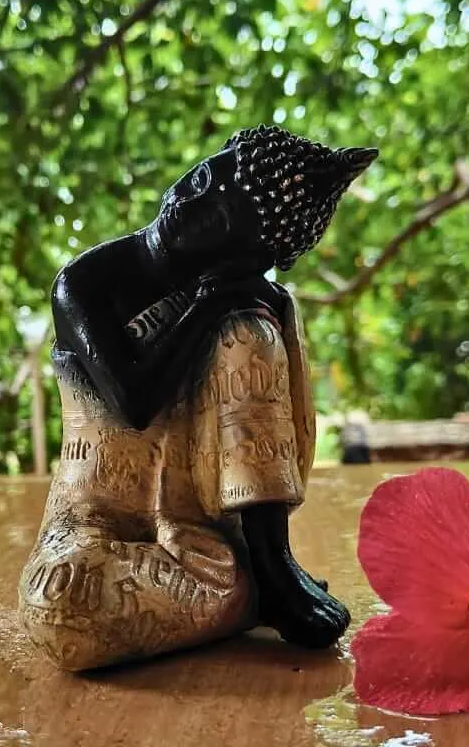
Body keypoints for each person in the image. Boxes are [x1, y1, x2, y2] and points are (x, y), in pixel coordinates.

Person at [20, 125, 377, 670]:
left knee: (247, 335)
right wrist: (208, 303)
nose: (187, 207)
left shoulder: (246, 319)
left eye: (219, 222)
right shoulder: (85, 284)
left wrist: (228, 306)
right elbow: (132, 401)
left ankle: (269, 570)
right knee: (61, 603)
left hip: (202, 537)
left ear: (248, 255)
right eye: (201, 180)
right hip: (93, 525)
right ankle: (246, 595)